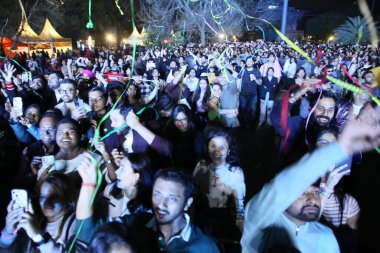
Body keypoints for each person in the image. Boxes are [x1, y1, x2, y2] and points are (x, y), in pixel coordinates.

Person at [241, 104, 380, 253]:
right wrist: (342, 146)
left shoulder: (326, 237)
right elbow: (284, 185)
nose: (312, 199)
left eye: (315, 192)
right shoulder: (261, 220)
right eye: (301, 192)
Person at [193, 128, 245, 248]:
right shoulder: (201, 166)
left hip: (225, 219)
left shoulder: (235, 172)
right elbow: (193, 191)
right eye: (213, 146)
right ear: (207, 148)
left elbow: (240, 201)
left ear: (229, 151)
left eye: (222, 147)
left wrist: (240, 222)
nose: (217, 151)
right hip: (202, 217)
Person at [0, 173, 78, 253]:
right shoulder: (34, 220)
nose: (47, 202)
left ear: (67, 199)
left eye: (54, 197)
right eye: (43, 197)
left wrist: (38, 236)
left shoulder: (76, 223)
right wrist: (8, 233)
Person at [103, 153, 153, 218]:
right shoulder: (110, 190)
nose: (116, 172)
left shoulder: (146, 211)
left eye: (123, 169)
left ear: (136, 177)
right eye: (119, 167)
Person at [164, 104, 203, 172]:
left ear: (188, 118)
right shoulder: (170, 131)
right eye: (176, 120)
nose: (180, 123)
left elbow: (199, 159)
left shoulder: (196, 135)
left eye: (183, 119)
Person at [237, 56, 262, 127]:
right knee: (242, 109)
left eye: (250, 61)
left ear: (253, 62)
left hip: (253, 94)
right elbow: (238, 80)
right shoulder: (243, 70)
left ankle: (251, 125)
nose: (248, 63)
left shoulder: (256, 71)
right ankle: (243, 124)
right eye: (247, 61)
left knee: (252, 110)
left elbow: (260, 83)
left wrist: (255, 78)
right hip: (243, 94)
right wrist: (238, 89)